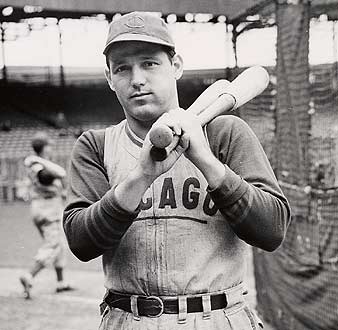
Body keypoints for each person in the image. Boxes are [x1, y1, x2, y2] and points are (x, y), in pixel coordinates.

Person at [63, 12, 291, 329]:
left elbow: (273, 231)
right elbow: (80, 242)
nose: (137, 78)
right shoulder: (95, 146)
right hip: (129, 319)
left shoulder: (225, 133)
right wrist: (141, 175)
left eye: (149, 63)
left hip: (217, 317)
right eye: (122, 68)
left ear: (176, 66)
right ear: (109, 79)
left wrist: (208, 163)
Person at [20, 132, 74, 299]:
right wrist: (41, 160)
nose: (51, 148)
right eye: (49, 146)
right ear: (43, 148)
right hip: (48, 208)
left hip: (41, 206)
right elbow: (60, 173)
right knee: (53, 245)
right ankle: (30, 275)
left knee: (58, 244)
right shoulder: (39, 166)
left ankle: (61, 282)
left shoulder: (35, 163)